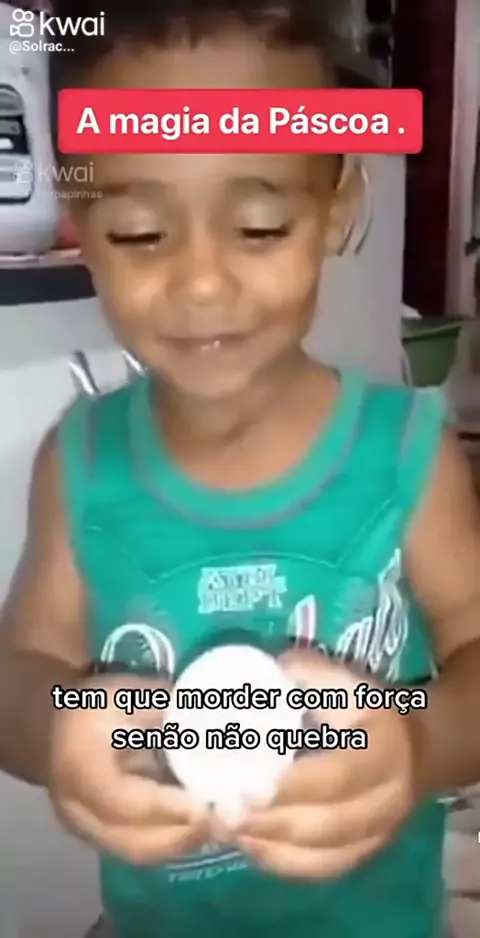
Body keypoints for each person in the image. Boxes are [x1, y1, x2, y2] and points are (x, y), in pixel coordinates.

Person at [1, 2, 479, 937]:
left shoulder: (408, 454)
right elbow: (20, 673)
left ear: (335, 207)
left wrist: (419, 745)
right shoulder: (78, 462)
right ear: (82, 219)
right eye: (140, 234)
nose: (202, 284)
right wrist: (57, 732)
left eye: (259, 227)